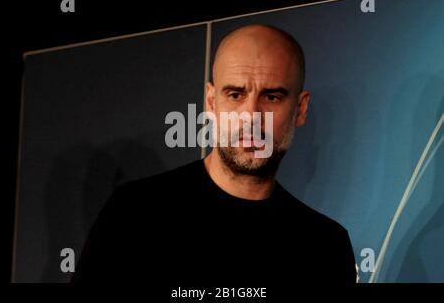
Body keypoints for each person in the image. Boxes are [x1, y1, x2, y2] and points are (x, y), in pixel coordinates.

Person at [72, 24, 356, 285]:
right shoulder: (135, 213)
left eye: (272, 97)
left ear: (301, 109)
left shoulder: (325, 247)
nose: (251, 117)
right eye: (235, 95)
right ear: (211, 102)